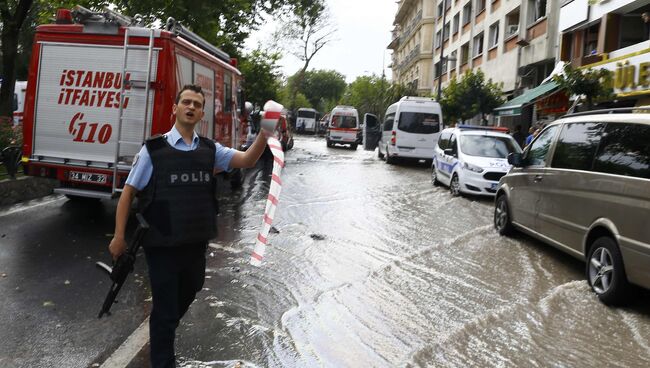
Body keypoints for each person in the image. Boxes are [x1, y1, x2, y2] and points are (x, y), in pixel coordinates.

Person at [108, 84, 276, 368]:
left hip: (195, 243)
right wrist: (118, 236)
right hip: (161, 245)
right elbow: (128, 192)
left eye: (197, 104)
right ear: (175, 108)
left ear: (201, 114)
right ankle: (163, 359)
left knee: (189, 290)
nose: (191, 107)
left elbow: (247, 159)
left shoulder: (210, 150)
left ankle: (165, 327)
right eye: (186, 102)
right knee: (164, 308)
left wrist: (265, 132)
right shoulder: (153, 150)